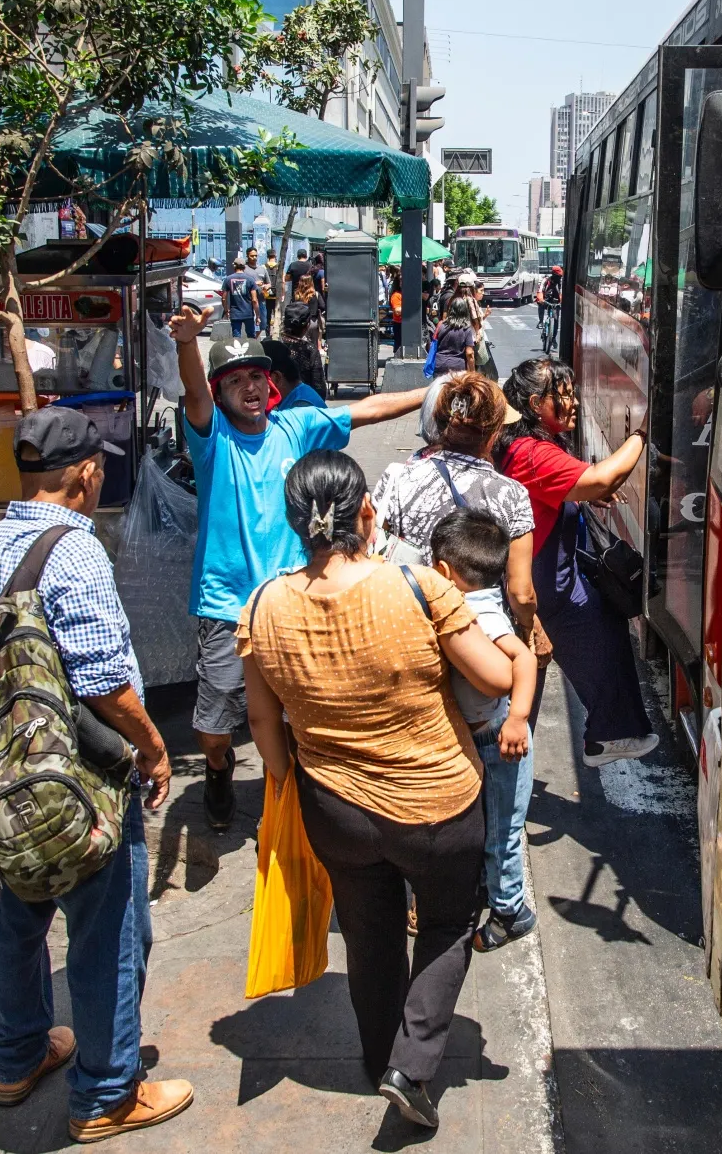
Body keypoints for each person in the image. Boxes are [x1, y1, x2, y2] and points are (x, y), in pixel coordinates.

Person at [238, 451, 513, 1128]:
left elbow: (261, 719)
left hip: (333, 805)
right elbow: (495, 678)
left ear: (298, 522)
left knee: (369, 930)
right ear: (367, 511)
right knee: (448, 923)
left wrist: (283, 778)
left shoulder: (265, 603)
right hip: (438, 803)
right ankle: (411, 1067)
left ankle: (374, 1056)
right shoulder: (419, 588)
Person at [0, 406, 193, 1143]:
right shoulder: (77, 551)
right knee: (110, 927)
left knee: (16, 909)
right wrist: (154, 749)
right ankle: (107, 1092)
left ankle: (17, 1055)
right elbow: (105, 684)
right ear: (87, 474)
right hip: (78, 776)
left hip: (3, 772)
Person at [167, 304, 425, 834]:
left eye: (256, 377)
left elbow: (371, 409)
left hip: (292, 601)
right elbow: (193, 392)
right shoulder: (211, 437)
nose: (249, 388)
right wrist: (187, 344)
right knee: (215, 726)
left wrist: (434, 391)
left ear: (272, 383)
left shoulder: (298, 425)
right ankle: (217, 770)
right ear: (220, 393)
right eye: (234, 380)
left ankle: (287, 798)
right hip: (225, 604)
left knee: (294, 713)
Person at [494, 358, 659, 765]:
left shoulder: (532, 446)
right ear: (535, 404)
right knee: (520, 707)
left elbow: (576, 486)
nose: (574, 402)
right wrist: (641, 434)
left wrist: (578, 494)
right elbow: (602, 477)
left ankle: (609, 733)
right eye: (563, 395)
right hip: (542, 593)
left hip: (555, 582)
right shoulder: (532, 453)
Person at [428, 508, 539, 952]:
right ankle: (491, 892)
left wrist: (516, 720)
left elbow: (525, 660)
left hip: (498, 740)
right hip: (482, 737)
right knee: (490, 828)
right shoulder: (480, 597)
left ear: (443, 571)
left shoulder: (477, 613)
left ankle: (511, 911)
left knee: (502, 836)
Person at [371, 372, 537, 632]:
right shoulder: (511, 494)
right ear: (493, 434)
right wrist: (529, 629)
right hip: (475, 639)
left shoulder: (397, 475)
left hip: (404, 626)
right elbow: (521, 594)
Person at [260, 338, 327, 412]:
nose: (249, 387)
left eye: (256, 377)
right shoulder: (295, 397)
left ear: (276, 378)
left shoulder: (300, 407)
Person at [281, 301, 326, 400]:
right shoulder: (309, 349)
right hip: (303, 403)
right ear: (307, 325)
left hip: (275, 406)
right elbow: (319, 387)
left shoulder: (273, 344)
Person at [429, 298, 478, 375]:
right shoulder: (466, 329)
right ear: (465, 311)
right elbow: (469, 353)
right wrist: (473, 372)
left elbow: (433, 343)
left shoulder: (441, 325)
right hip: (457, 367)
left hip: (440, 364)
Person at [223, 252, 261, 338]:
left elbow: (224, 298)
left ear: (234, 266)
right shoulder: (250, 280)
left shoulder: (228, 279)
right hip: (248, 313)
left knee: (236, 338)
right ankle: (251, 351)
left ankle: (239, 352)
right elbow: (254, 300)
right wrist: (257, 315)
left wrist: (226, 310)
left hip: (235, 313)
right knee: (251, 336)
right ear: (244, 267)